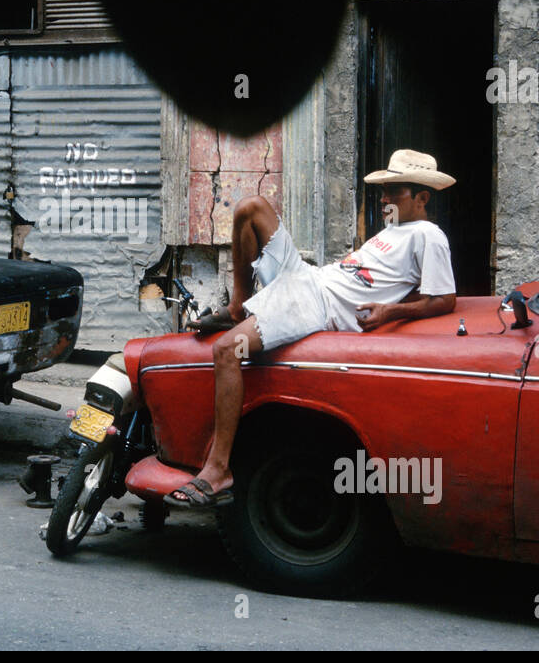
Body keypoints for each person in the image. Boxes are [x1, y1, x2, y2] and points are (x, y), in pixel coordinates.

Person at [168, 149, 458, 507]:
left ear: (422, 197)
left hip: (316, 305)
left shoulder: (428, 235)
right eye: (383, 190)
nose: (383, 198)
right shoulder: (393, 231)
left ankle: (217, 469)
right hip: (310, 279)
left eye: (393, 190)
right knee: (250, 207)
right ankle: (238, 306)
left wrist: (390, 312)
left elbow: (443, 299)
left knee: (227, 350)